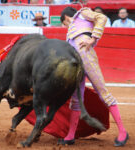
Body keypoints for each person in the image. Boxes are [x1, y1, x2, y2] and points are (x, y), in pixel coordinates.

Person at [57, 6, 129, 147]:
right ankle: (70, 136)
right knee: (76, 99)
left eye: (64, 24)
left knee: (103, 93)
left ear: (65, 18)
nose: (66, 27)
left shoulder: (82, 13)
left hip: (86, 56)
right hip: (75, 63)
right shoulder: (70, 34)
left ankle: (123, 132)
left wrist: (92, 39)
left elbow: (102, 17)